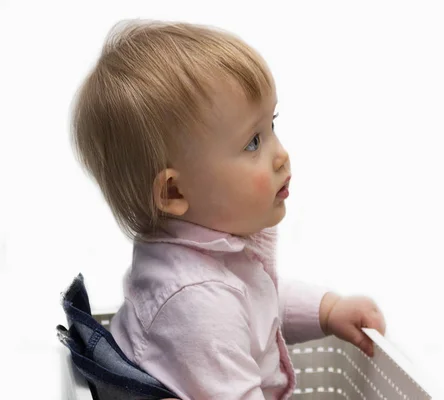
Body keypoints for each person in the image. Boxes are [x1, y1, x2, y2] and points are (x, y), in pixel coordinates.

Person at [71, 19, 386, 400]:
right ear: (173, 191)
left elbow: (258, 304)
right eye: (253, 142)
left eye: (272, 125)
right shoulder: (197, 303)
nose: (281, 154)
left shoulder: (210, 260)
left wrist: (327, 310)